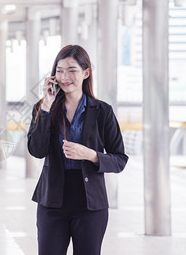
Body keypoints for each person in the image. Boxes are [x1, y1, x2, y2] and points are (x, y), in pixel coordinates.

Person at [27, 45, 128, 255]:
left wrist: (90, 155)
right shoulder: (43, 108)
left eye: (72, 70)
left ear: (86, 72)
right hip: (52, 201)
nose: (65, 76)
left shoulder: (102, 111)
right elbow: (36, 150)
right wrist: (46, 105)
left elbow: (120, 159)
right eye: (60, 70)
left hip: (90, 203)